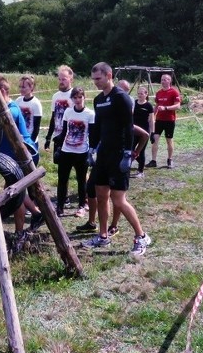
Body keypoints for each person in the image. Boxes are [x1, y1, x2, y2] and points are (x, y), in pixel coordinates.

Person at [81, 62, 151, 257]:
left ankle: (141, 236)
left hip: (119, 154)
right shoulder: (97, 100)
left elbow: (129, 128)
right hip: (103, 154)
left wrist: (128, 154)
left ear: (109, 75)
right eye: (93, 79)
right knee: (101, 195)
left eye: (99, 78)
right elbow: (98, 127)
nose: (95, 82)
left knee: (118, 200)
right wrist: (92, 149)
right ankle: (103, 236)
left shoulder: (122, 99)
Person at [0, 75, 42, 253]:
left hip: (25, 154)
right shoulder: (3, 107)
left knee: (16, 194)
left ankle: (20, 232)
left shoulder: (11, 110)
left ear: (2, 91)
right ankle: (37, 214)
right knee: (16, 191)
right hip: (13, 157)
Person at [54, 86, 95, 218]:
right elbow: (64, 132)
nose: (77, 100)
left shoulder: (90, 114)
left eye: (80, 97)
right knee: (62, 179)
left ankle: (82, 206)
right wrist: (58, 147)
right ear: (71, 99)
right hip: (67, 150)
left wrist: (91, 153)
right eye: (75, 97)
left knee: (81, 180)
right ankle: (60, 207)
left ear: (84, 98)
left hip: (82, 152)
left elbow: (93, 135)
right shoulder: (68, 112)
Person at [147, 73, 181, 169]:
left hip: (170, 120)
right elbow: (157, 106)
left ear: (170, 81)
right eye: (162, 79)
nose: (163, 81)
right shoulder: (158, 93)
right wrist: (151, 116)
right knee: (155, 139)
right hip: (159, 120)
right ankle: (153, 161)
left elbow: (178, 106)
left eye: (165, 79)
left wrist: (166, 108)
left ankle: (170, 160)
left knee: (169, 140)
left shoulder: (174, 92)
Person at [44, 65, 75, 155]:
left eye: (64, 79)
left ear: (71, 79)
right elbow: (53, 117)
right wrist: (48, 137)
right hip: (57, 136)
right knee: (60, 166)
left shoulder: (75, 95)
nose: (61, 82)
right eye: (59, 79)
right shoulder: (55, 96)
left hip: (71, 137)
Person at [131, 85, 154, 177]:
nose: (140, 95)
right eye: (138, 93)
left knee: (141, 151)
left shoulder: (148, 106)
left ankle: (140, 171)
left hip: (144, 132)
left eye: (142, 93)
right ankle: (136, 162)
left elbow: (152, 120)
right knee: (130, 149)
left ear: (146, 94)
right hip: (134, 130)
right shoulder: (134, 103)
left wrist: (152, 133)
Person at [14, 75, 42, 146]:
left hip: (30, 140)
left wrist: (31, 143)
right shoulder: (18, 100)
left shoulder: (36, 103)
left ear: (31, 87)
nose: (21, 89)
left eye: (23, 87)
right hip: (19, 139)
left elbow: (36, 128)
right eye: (20, 87)